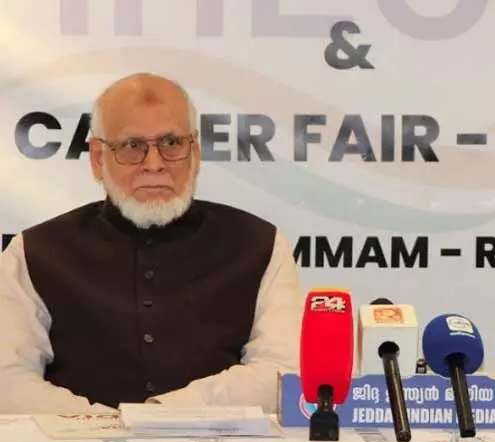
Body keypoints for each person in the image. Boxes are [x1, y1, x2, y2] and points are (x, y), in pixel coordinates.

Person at [0, 73, 301, 413]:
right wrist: (101, 424)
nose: (154, 165)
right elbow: (7, 379)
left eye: (171, 143)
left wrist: (168, 412)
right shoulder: (35, 253)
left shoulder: (260, 246)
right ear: (98, 158)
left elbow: (283, 370)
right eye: (132, 146)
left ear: (195, 152)